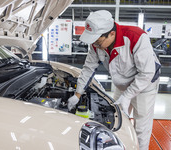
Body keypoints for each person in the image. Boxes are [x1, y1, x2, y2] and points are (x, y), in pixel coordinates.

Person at [67, 10, 160, 150]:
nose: (96, 46)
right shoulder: (96, 43)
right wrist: (77, 94)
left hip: (145, 85)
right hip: (122, 83)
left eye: (98, 42)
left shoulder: (136, 37)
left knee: (141, 126)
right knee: (116, 119)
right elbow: (88, 69)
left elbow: (147, 72)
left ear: (111, 33)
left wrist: (128, 96)